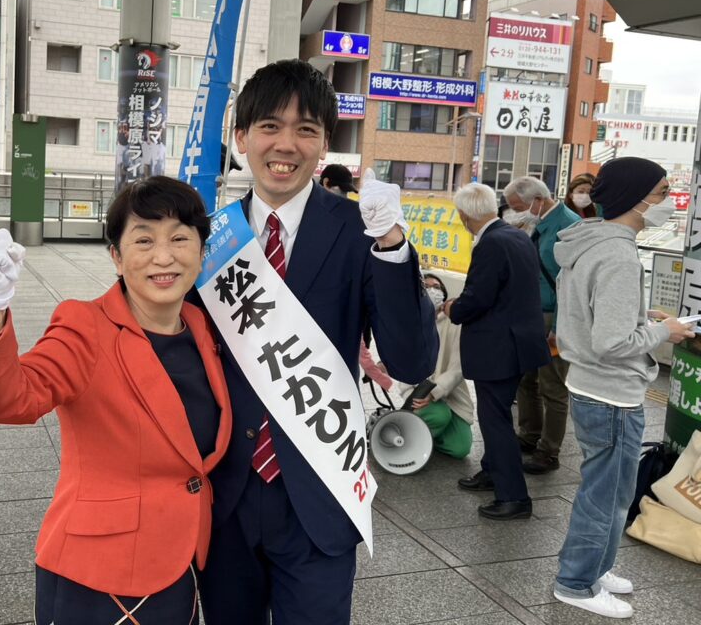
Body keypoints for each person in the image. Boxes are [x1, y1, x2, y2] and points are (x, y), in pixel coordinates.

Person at [197, 59, 437, 625]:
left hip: (320, 489)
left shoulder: (362, 232)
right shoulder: (209, 238)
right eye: (269, 126)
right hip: (224, 491)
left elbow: (411, 360)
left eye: (305, 129)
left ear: (324, 144)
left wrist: (393, 246)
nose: (286, 144)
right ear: (241, 138)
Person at [0, 176, 232, 624]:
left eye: (179, 238)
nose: (163, 256)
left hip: (185, 558)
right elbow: (6, 400)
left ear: (201, 250)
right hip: (99, 571)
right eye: (143, 240)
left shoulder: (201, 325)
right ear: (116, 256)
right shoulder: (85, 326)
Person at [551, 157, 693, 619]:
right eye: (662, 192)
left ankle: (595, 565)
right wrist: (665, 331)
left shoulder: (589, 239)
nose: (669, 202)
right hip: (612, 393)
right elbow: (612, 343)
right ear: (636, 198)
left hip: (590, 385)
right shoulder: (617, 254)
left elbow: (592, 314)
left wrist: (641, 317)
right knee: (606, 496)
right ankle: (575, 582)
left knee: (608, 492)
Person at [444, 183, 549, 520]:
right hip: (519, 341)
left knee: (495, 420)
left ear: (464, 216)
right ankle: (492, 471)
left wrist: (452, 308)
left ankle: (513, 497)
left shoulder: (490, 243)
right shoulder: (516, 235)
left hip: (499, 347)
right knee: (497, 413)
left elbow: (478, 297)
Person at [503, 176, 581, 474]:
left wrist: (559, 328)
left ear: (537, 199)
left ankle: (549, 451)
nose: (515, 213)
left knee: (552, 385)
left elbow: (570, 284)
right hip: (531, 312)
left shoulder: (569, 225)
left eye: (518, 207)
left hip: (552, 315)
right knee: (527, 379)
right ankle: (529, 434)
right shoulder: (537, 223)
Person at [392, 273, 474, 459]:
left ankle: (427, 437)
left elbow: (458, 368)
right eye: (426, 287)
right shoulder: (410, 325)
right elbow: (405, 366)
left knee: (460, 448)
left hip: (451, 395)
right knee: (439, 416)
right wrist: (420, 393)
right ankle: (409, 444)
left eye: (437, 287)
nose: (432, 291)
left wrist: (436, 391)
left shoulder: (456, 324)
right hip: (419, 393)